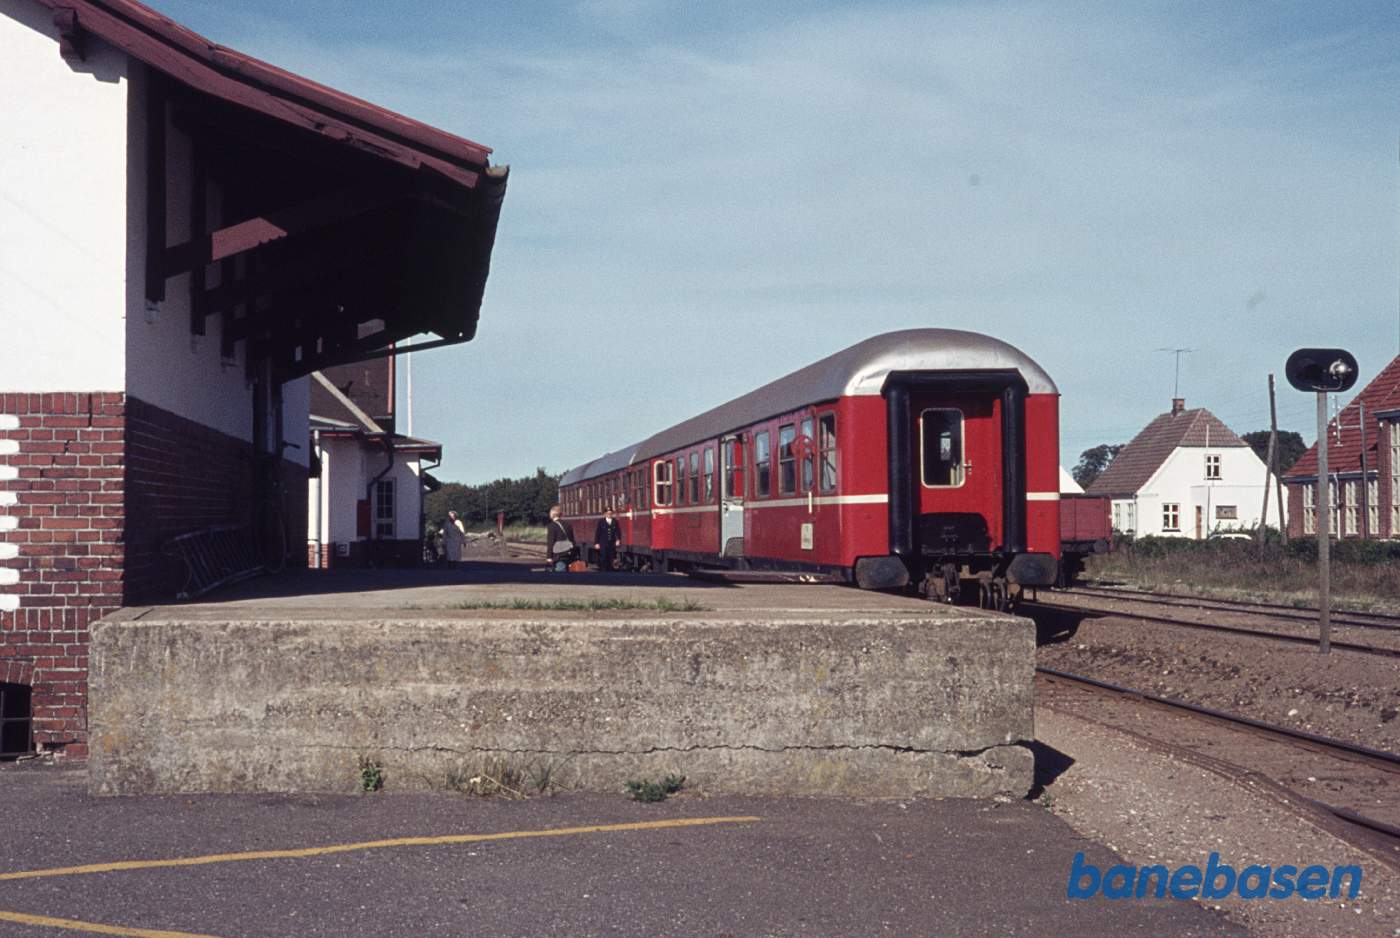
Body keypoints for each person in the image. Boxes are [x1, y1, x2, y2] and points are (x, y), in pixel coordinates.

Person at [545, 504, 576, 572]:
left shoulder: (551, 526)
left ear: (552, 514)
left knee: (560, 575)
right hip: (568, 554)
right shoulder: (568, 524)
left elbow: (551, 542)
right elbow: (572, 540)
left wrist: (549, 557)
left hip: (558, 555)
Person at [594, 506, 623, 571]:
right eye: (608, 513)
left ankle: (610, 573)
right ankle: (604, 572)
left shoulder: (615, 522)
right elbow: (597, 533)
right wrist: (596, 543)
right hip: (603, 544)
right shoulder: (601, 522)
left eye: (610, 513)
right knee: (603, 558)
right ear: (605, 514)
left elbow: (618, 532)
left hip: (611, 544)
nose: (609, 514)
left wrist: (618, 540)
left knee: (611, 558)